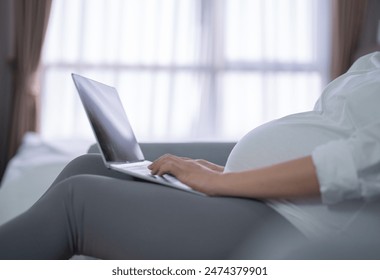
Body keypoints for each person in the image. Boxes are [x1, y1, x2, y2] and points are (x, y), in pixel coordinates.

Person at [0, 52, 379, 260]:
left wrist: (222, 182)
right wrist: (218, 170)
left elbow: (358, 163)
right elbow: (322, 139)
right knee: (87, 164)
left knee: (76, 202)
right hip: (269, 199)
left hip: (296, 222)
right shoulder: (370, 66)